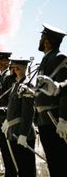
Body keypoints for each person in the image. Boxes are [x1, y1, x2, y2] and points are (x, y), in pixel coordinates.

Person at [20, 23, 67, 177]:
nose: (39, 40)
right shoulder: (46, 59)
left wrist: (63, 118)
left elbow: (63, 90)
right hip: (43, 119)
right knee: (53, 163)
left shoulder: (59, 58)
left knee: (59, 163)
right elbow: (44, 91)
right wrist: (31, 92)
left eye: (41, 37)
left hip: (54, 119)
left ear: (47, 41)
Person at [2, 59, 36, 177]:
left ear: (19, 68)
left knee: (26, 169)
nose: (12, 70)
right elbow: (13, 108)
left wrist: (24, 133)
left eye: (14, 68)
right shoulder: (15, 85)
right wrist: (7, 120)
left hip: (22, 133)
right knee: (19, 168)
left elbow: (28, 112)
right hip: (14, 132)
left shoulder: (27, 85)